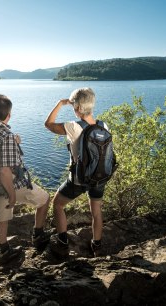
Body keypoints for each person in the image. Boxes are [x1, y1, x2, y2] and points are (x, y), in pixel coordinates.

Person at [0, 94, 50, 264]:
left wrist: (14, 142)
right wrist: (12, 195)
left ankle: (3, 251)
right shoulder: (7, 136)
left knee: (2, 219)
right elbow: (4, 171)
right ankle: (38, 235)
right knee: (45, 199)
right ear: (8, 115)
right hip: (11, 184)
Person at [44, 87, 107, 257]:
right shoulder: (103, 125)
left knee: (57, 204)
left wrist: (59, 104)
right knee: (96, 212)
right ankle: (97, 245)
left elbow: (48, 124)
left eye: (73, 106)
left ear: (77, 108)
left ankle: (63, 242)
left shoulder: (74, 127)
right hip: (99, 176)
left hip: (79, 179)